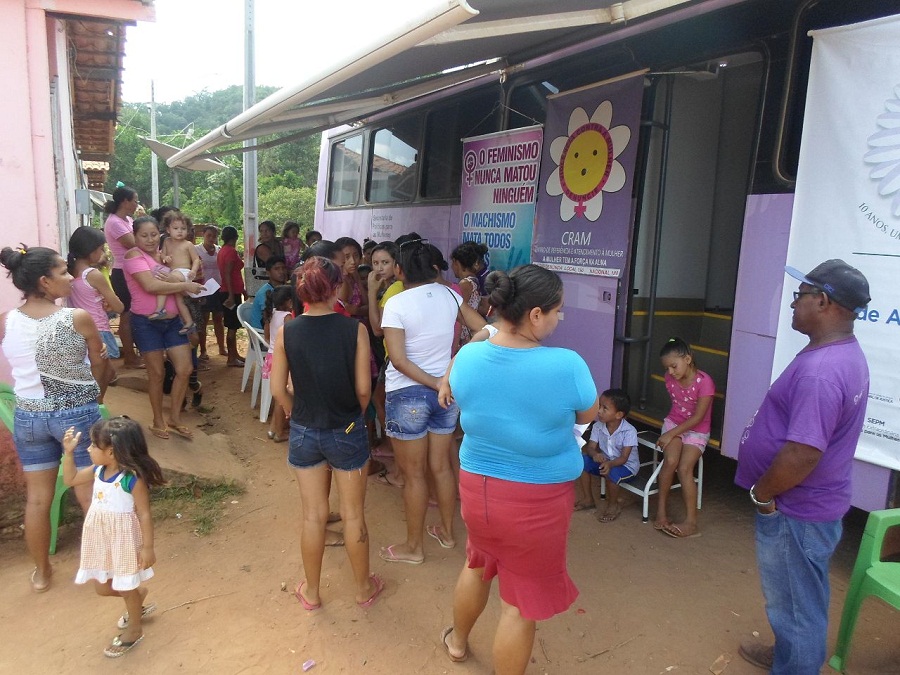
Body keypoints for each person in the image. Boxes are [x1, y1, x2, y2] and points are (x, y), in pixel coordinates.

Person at [437, 264, 598, 673]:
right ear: (536, 314)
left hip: (478, 490)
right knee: (520, 605)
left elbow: (460, 379)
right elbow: (587, 412)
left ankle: (457, 643)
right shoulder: (567, 365)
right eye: (558, 310)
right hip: (536, 503)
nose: (561, 319)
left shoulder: (469, 355)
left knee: (477, 563)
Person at [735, 260, 870, 674]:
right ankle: (789, 655)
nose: (793, 304)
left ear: (823, 301)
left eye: (800, 295)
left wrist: (763, 495)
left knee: (797, 606)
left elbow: (802, 454)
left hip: (797, 511)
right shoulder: (836, 353)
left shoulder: (822, 372)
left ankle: (795, 666)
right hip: (809, 507)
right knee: (797, 598)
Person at [269, 256, 384, 609]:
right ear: (336, 288)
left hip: (304, 430)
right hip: (346, 428)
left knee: (313, 515)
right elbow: (364, 390)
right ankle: (363, 588)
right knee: (352, 515)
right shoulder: (356, 330)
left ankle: (313, 592)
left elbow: (278, 390)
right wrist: (354, 414)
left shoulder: (287, 329)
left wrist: (294, 411)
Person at [0, 244, 105, 593]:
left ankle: (42, 573)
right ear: (45, 281)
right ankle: (104, 570)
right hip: (76, 412)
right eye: (62, 272)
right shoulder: (75, 318)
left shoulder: (6, 321)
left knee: (37, 499)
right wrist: (96, 395)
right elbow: (101, 364)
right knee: (89, 493)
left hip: (28, 416)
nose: (71, 277)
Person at [378, 239, 485, 564]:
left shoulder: (396, 303)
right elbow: (485, 330)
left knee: (414, 476)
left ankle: (414, 548)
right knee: (440, 467)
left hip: (407, 395)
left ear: (399, 270)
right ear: (436, 268)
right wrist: (450, 371)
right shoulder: (450, 295)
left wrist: (436, 380)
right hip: (445, 395)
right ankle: (448, 534)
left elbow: (398, 360)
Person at [62, 417, 165, 658]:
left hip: (123, 541)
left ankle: (135, 628)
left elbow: (145, 513)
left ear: (111, 451)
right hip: (101, 539)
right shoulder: (98, 470)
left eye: (93, 445)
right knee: (102, 588)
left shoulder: (131, 479)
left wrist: (148, 547)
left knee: (125, 585)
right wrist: (68, 454)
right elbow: (70, 479)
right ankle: (137, 597)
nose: (88, 448)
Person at [123, 216, 205, 440]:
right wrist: (184, 284)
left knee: (185, 369)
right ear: (135, 236)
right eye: (143, 235)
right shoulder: (133, 256)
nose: (150, 239)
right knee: (157, 374)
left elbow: (177, 276)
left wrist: (179, 281)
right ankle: (158, 420)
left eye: (153, 234)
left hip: (172, 321)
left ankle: (175, 418)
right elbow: (150, 285)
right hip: (147, 322)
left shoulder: (162, 255)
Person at [653, 337, 714, 538]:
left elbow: (698, 418)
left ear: (687, 359)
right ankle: (661, 513)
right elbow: (678, 409)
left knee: (685, 468)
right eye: (667, 368)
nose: (670, 372)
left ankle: (691, 522)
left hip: (697, 429)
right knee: (670, 461)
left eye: (673, 366)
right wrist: (672, 431)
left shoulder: (705, 383)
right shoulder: (670, 378)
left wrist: (671, 434)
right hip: (674, 423)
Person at [66, 226, 125, 402]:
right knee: (100, 378)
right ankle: (96, 409)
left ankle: (96, 407)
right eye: (100, 249)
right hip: (98, 329)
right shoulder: (93, 274)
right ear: (91, 250)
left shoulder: (69, 273)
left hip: (77, 330)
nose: (102, 253)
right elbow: (119, 307)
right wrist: (111, 303)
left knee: (102, 373)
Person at [575, 388, 639, 522]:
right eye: (599, 406)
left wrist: (609, 464)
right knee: (581, 462)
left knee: (613, 472)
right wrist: (595, 455)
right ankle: (588, 499)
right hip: (606, 462)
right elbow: (591, 447)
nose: (599, 411)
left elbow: (624, 458)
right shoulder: (598, 426)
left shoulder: (629, 431)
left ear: (618, 414)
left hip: (626, 467)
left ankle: (613, 505)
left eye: (605, 408)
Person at [102, 185, 142, 368]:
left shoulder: (127, 219)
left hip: (131, 270)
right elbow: (134, 244)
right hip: (122, 272)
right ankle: (130, 358)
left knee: (132, 314)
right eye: (135, 200)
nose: (136, 204)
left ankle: (133, 354)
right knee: (126, 315)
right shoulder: (115, 223)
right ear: (125, 201)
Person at [156, 211, 200, 335]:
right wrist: (165, 258)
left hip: (184, 273)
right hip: (173, 272)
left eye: (183, 228)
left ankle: (160, 309)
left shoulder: (188, 244)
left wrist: (194, 270)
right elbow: (162, 255)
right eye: (176, 228)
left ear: (188, 230)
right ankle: (189, 322)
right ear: (168, 229)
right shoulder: (166, 242)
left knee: (165, 281)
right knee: (179, 299)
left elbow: (196, 259)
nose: (179, 231)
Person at [262, 285, 293, 443]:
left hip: (271, 356)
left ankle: (273, 428)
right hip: (283, 358)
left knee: (278, 396)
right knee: (283, 397)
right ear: (289, 301)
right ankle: (279, 432)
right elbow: (291, 339)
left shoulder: (271, 313)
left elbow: (267, 336)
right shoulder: (287, 316)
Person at [195, 225, 226, 360]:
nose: (211, 239)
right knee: (204, 319)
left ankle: (221, 347)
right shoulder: (196, 250)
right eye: (209, 236)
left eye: (214, 236)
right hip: (204, 288)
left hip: (218, 288)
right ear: (203, 235)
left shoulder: (220, 250)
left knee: (219, 319)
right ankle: (203, 350)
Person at [450, 241, 489, 345]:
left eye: (452, 263)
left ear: (456, 262)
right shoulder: (475, 280)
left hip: (463, 333)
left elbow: (457, 311)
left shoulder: (465, 284)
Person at [217, 225, 245, 367]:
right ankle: (231, 358)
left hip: (229, 291)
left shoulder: (222, 251)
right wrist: (230, 294)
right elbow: (228, 274)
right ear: (235, 237)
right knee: (232, 326)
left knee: (231, 324)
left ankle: (234, 354)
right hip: (230, 293)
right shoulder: (231, 252)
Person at [248, 255, 287, 330]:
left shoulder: (283, 289)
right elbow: (268, 320)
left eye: (283, 268)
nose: (281, 272)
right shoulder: (265, 293)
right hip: (262, 334)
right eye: (277, 269)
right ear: (268, 273)